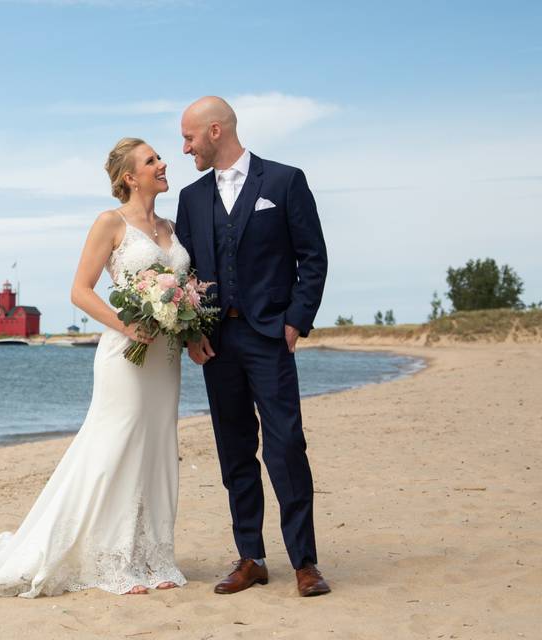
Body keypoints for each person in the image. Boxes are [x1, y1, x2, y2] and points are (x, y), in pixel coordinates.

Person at [0, 138, 191, 597]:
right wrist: (126, 325)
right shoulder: (110, 223)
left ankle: (152, 555)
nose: (163, 163)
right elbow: (80, 292)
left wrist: (192, 325)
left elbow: (182, 288)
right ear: (130, 177)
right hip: (126, 357)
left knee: (158, 448)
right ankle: (112, 558)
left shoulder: (171, 226)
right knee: (113, 449)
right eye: (152, 160)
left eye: (159, 157)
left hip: (166, 358)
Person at [175, 96, 331, 597]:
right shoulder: (191, 197)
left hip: (269, 338)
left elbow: (314, 257)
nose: (184, 148)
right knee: (235, 450)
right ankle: (251, 558)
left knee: (286, 446)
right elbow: (187, 273)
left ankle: (305, 563)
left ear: (215, 131)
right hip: (218, 344)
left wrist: (295, 322)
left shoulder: (284, 181)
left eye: (190, 138)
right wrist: (191, 330)